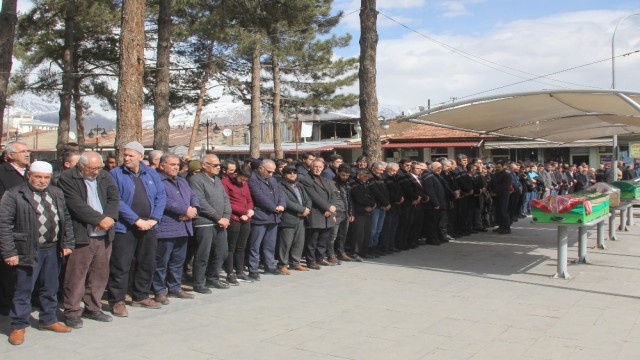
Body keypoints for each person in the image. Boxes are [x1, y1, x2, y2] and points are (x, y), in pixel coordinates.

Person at [0, 161, 75, 345]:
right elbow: (4, 224)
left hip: (53, 249)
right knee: (23, 290)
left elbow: (65, 218)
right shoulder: (14, 194)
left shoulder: (56, 193)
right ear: (29, 175)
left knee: (50, 287)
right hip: (26, 250)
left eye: (46, 178)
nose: (42, 181)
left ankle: (48, 319)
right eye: (38, 177)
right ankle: (18, 325)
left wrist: (68, 242)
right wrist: (9, 251)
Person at [58, 152, 120, 329]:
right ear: (81, 166)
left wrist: (109, 218)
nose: (96, 172)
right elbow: (75, 204)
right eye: (92, 168)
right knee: (76, 275)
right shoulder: (67, 178)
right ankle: (72, 310)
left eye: (99, 167)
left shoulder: (104, 175)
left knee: (99, 273)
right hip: (82, 234)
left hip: (104, 233)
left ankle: (93, 307)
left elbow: (113, 197)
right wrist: (98, 220)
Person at [108, 141, 167, 317]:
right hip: (125, 227)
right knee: (121, 264)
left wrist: (155, 218)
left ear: (141, 157)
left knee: (147, 262)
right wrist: (135, 220)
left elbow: (161, 196)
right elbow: (116, 199)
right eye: (125, 155)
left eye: (130, 155)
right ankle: (117, 300)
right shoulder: (115, 174)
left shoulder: (151, 173)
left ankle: (141, 295)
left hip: (149, 226)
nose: (126, 158)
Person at [152, 154, 200, 304]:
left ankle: (175, 287)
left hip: (183, 227)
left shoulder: (182, 181)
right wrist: (184, 210)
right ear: (162, 166)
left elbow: (193, 196)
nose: (176, 167)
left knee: (178, 260)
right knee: (162, 261)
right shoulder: (158, 181)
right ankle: (159, 290)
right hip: (167, 227)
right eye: (172, 164)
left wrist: (194, 209)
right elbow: (164, 201)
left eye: (177, 164)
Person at [188, 154, 232, 293]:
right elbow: (200, 200)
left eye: (219, 165)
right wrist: (218, 218)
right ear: (204, 165)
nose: (218, 167)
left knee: (221, 252)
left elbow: (226, 200)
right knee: (203, 254)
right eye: (215, 165)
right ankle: (199, 282)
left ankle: (213, 277)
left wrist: (226, 217)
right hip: (205, 222)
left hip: (221, 223)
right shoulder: (196, 180)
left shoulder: (217, 180)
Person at [0, 142, 30, 316]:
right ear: (10, 155)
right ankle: (6, 303)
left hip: (30, 226)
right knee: (8, 269)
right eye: (22, 151)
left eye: (28, 151)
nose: (27, 154)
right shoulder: (3, 172)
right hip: (10, 227)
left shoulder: (31, 172)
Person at [247, 159, 287, 280]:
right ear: (261, 169)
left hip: (274, 217)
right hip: (260, 216)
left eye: (272, 172)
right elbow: (258, 196)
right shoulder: (252, 179)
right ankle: (253, 268)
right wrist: (273, 207)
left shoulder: (272, 179)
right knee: (255, 244)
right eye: (269, 171)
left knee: (270, 244)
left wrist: (282, 205)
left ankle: (269, 266)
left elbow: (280, 193)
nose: (271, 174)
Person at [299, 159, 338, 269]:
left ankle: (320, 258)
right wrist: (327, 207)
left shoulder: (324, 179)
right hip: (316, 213)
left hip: (328, 214)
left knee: (323, 238)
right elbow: (314, 196)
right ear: (310, 167)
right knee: (313, 239)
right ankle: (311, 260)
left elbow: (333, 194)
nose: (318, 169)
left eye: (320, 167)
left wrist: (331, 208)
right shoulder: (306, 180)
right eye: (315, 166)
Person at [221, 165, 255, 284]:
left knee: (242, 246)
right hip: (233, 217)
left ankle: (240, 271)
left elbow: (249, 199)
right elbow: (227, 202)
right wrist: (243, 212)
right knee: (231, 247)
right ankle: (230, 272)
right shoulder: (225, 182)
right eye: (242, 179)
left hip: (246, 218)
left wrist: (249, 211)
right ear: (236, 174)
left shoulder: (244, 184)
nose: (244, 181)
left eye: (246, 180)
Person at [277, 165, 312, 273]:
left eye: (294, 172)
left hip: (301, 218)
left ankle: (295, 262)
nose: (292, 174)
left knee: (299, 242)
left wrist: (307, 209)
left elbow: (308, 199)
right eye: (289, 172)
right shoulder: (280, 186)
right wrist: (302, 210)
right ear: (284, 174)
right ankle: (282, 264)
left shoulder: (299, 186)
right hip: (289, 218)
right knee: (286, 243)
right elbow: (286, 201)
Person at [489, 161, 512, 234]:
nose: (497, 168)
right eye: (496, 167)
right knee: (498, 212)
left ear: (503, 167)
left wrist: (495, 191)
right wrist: (490, 190)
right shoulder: (495, 174)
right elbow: (491, 183)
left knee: (503, 211)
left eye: (499, 167)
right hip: (495, 196)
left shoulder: (507, 175)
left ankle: (507, 228)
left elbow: (504, 186)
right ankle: (501, 226)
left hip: (503, 196)